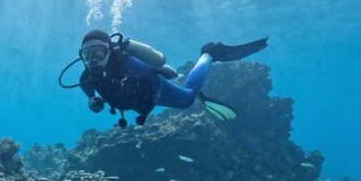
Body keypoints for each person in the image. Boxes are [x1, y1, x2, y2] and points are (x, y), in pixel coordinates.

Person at [75, 30, 268, 127]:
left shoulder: (129, 64)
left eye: (98, 52)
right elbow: (89, 91)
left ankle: (209, 53)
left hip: (155, 91)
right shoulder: (87, 79)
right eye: (86, 54)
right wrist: (93, 101)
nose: (92, 59)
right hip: (137, 103)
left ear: (109, 50)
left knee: (187, 99)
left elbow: (158, 63)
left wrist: (165, 71)